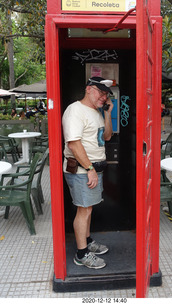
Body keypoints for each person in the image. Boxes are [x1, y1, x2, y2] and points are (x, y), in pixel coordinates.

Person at [62, 76, 114, 269]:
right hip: (82, 170)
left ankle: (88, 240)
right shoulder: (75, 110)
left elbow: (107, 136)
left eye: (106, 94)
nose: (104, 97)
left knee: (89, 208)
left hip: (93, 169)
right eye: (101, 92)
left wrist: (108, 113)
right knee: (84, 210)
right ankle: (82, 254)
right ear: (89, 89)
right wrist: (90, 169)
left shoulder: (96, 112)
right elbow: (74, 143)